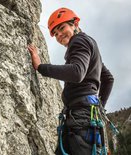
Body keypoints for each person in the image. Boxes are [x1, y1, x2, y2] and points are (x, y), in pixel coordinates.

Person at [28, 7, 114, 155]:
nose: (59, 35)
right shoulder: (89, 43)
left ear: (75, 24)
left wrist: (40, 67)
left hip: (80, 118)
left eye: (62, 28)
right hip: (84, 116)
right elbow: (108, 78)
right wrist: (100, 108)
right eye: (55, 33)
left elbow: (77, 72)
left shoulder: (79, 41)